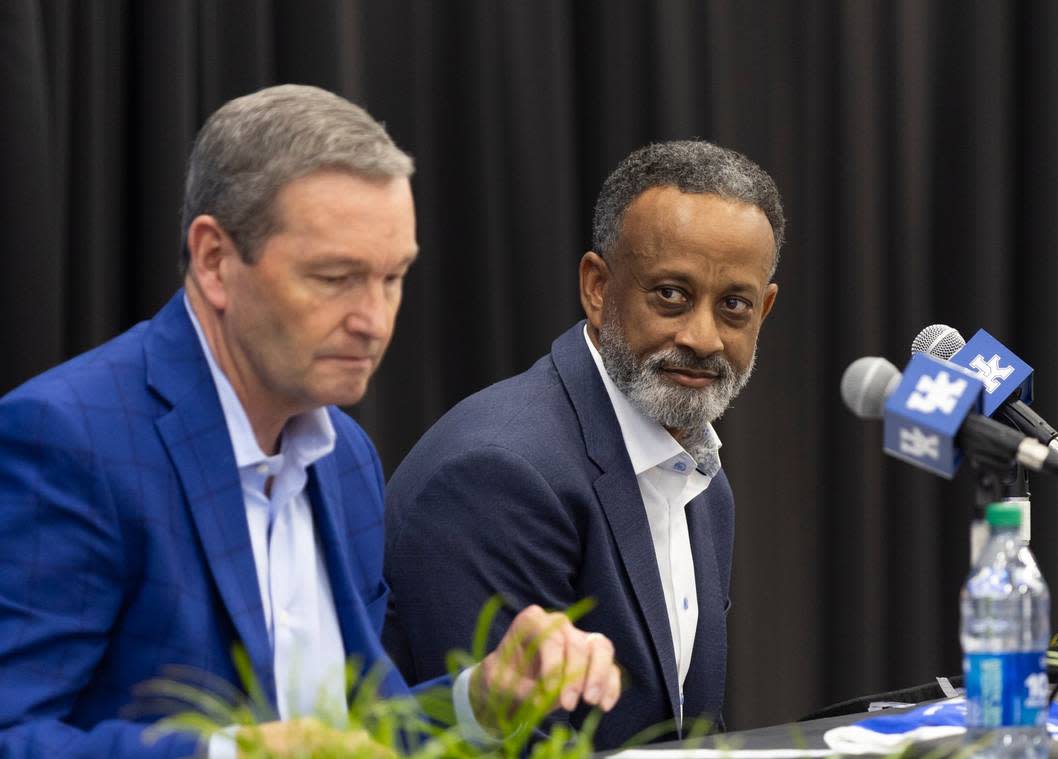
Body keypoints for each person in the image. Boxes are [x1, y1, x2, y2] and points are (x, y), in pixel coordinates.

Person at [0, 84, 620, 758]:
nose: (374, 320)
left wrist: (483, 697)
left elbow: (352, 733)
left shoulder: (344, 455)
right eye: (334, 277)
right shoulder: (69, 439)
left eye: (393, 278)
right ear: (214, 260)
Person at [382, 140, 785, 748]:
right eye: (671, 294)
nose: (703, 338)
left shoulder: (700, 473)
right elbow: (509, 747)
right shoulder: (499, 474)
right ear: (598, 287)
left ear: (765, 310)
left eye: (734, 306)